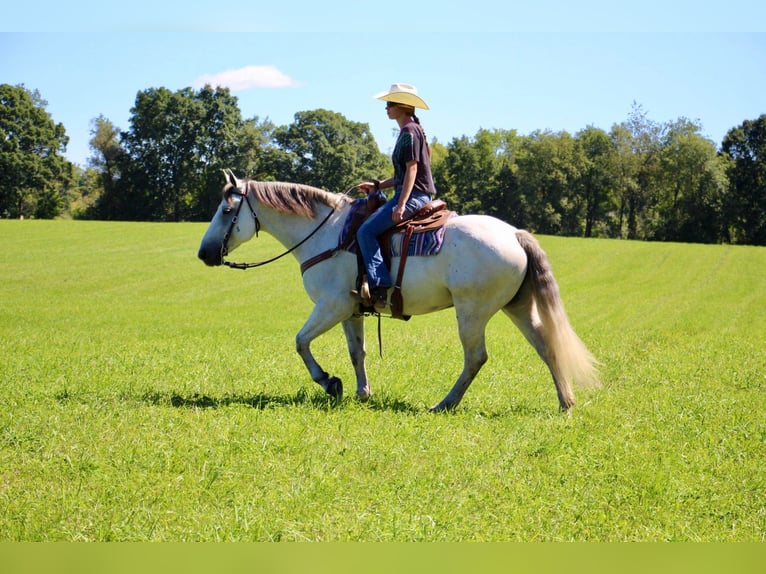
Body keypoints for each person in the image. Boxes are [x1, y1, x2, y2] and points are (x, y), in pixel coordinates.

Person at [356, 83, 437, 309]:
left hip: (413, 196)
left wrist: (401, 204)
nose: (386, 108)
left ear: (402, 106)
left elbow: (412, 170)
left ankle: (379, 285)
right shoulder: (413, 129)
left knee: (365, 231)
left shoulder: (409, 132)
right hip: (414, 193)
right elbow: (403, 174)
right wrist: (378, 185)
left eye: (390, 104)